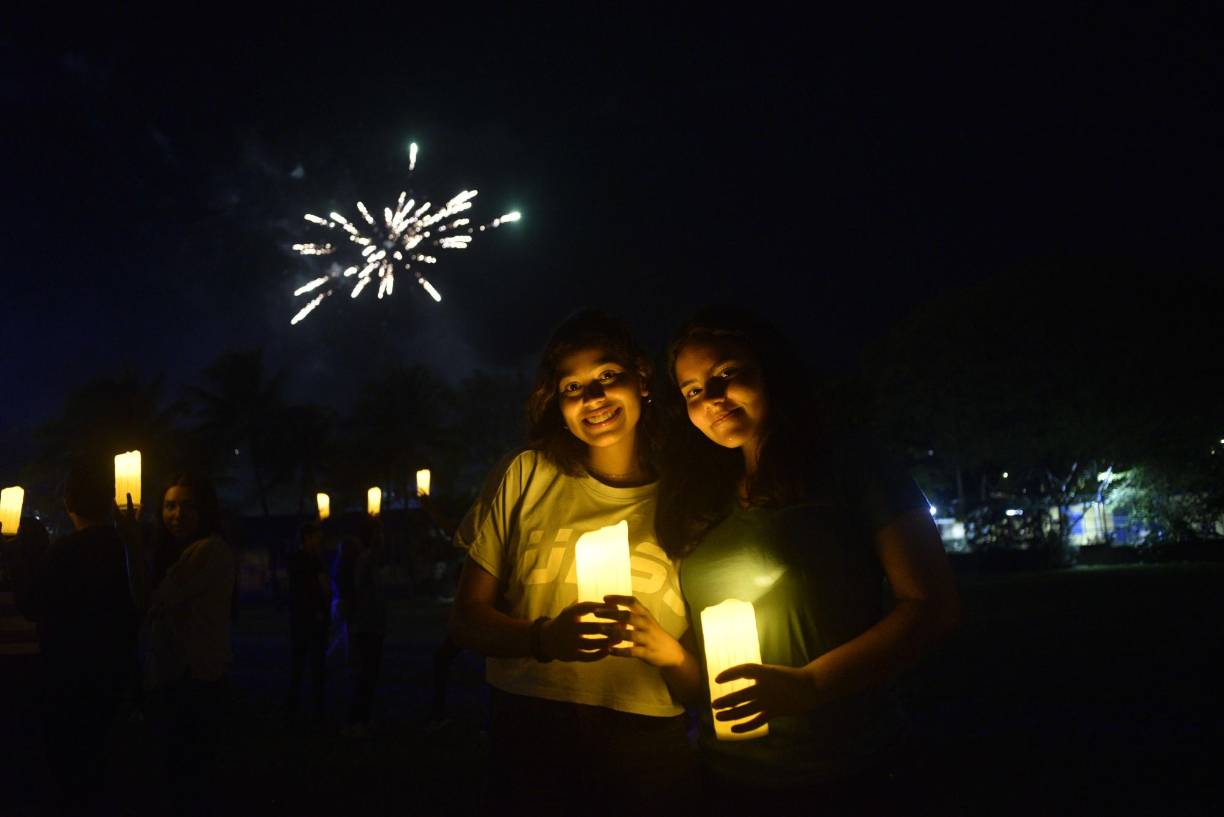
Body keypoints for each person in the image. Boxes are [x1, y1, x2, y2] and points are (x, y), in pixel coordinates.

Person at [626, 308, 960, 814]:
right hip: (730, 777)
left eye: (726, 375)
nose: (712, 399)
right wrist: (670, 656)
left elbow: (931, 605)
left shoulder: (853, 466)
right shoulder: (700, 503)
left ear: (770, 370)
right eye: (692, 391)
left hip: (849, 768)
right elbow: (709, 686)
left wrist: (810, 686)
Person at [448, 310, 696, 814]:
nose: (593, 398)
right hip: (531, 731)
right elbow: (465, 621)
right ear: (556, 404)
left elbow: (702, 682)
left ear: (642, 380)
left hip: (645, 746)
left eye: (608, 376)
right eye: (572, 387)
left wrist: (666, 650)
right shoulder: (527, 475)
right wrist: (545, 639)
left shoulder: (689, 498)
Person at [10, 460, 139, 814]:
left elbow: (32, 605)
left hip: (68, 673)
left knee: (71, 764)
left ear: (68, 502)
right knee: (103, 756)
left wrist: (15, 560)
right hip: (115, 668)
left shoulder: (65, 553)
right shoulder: (122, 546)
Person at [142, 473, 234, 817]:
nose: (176, 514)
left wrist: (129, 543)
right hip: (174, 678)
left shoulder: (208, 551)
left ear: (205, 511)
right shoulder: (178, 554)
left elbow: (153, 601)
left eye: (187, 506)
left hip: (195, 680)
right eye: (169, 506)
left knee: (189, 780)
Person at [345, 515, 387, 736]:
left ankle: (364, 718)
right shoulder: (366, 560)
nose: (382, 537)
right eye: (379, 533)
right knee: (364, 675)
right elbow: (360, 591)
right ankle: (356, 721)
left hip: (374, 624)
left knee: (371, 675)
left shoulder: (371, 561)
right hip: (367, 625)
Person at [286, 520, 331, 721]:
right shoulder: (313, 560)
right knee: (315, 664)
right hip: (312, 618)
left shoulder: (296, 560)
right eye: (316, 537)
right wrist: (322, 605)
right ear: (308, 538)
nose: (320, 541)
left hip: (300, 618)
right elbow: (320, 587)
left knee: (300, 663)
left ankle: (294, 706)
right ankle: (317, 707)